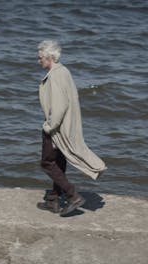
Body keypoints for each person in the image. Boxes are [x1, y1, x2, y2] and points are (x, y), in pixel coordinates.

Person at [36, 40, 107, 216]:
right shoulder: (64, 71)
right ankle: (53, 200)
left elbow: (60, 106)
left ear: (49, 57)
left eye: (40, 58)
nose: (38, 61)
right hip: (65, 127)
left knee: (47, 163)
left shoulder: (55, 76)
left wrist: (49, 127)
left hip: (56, 128)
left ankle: (73, 195)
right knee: (59, 161)